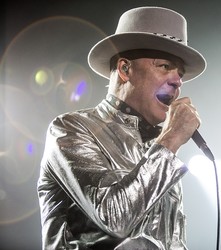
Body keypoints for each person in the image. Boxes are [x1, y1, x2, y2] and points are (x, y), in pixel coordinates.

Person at [37, 6, 206, 250]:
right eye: (165, 66)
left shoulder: (158, 148)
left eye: (180, 73)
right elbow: (114, 218)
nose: (178, 81)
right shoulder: (70, 129)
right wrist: (170, 141)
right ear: (125, 69)